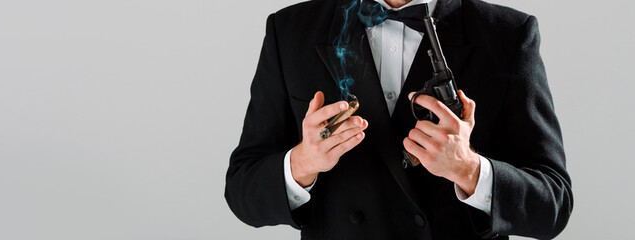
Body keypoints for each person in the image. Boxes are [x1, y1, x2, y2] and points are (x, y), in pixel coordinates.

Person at [225, 0, 573, 239]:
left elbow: (553, 206)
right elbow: (242, 192)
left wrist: (469, 170)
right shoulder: (290, 31)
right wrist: (301, 164)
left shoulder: (507, 35)